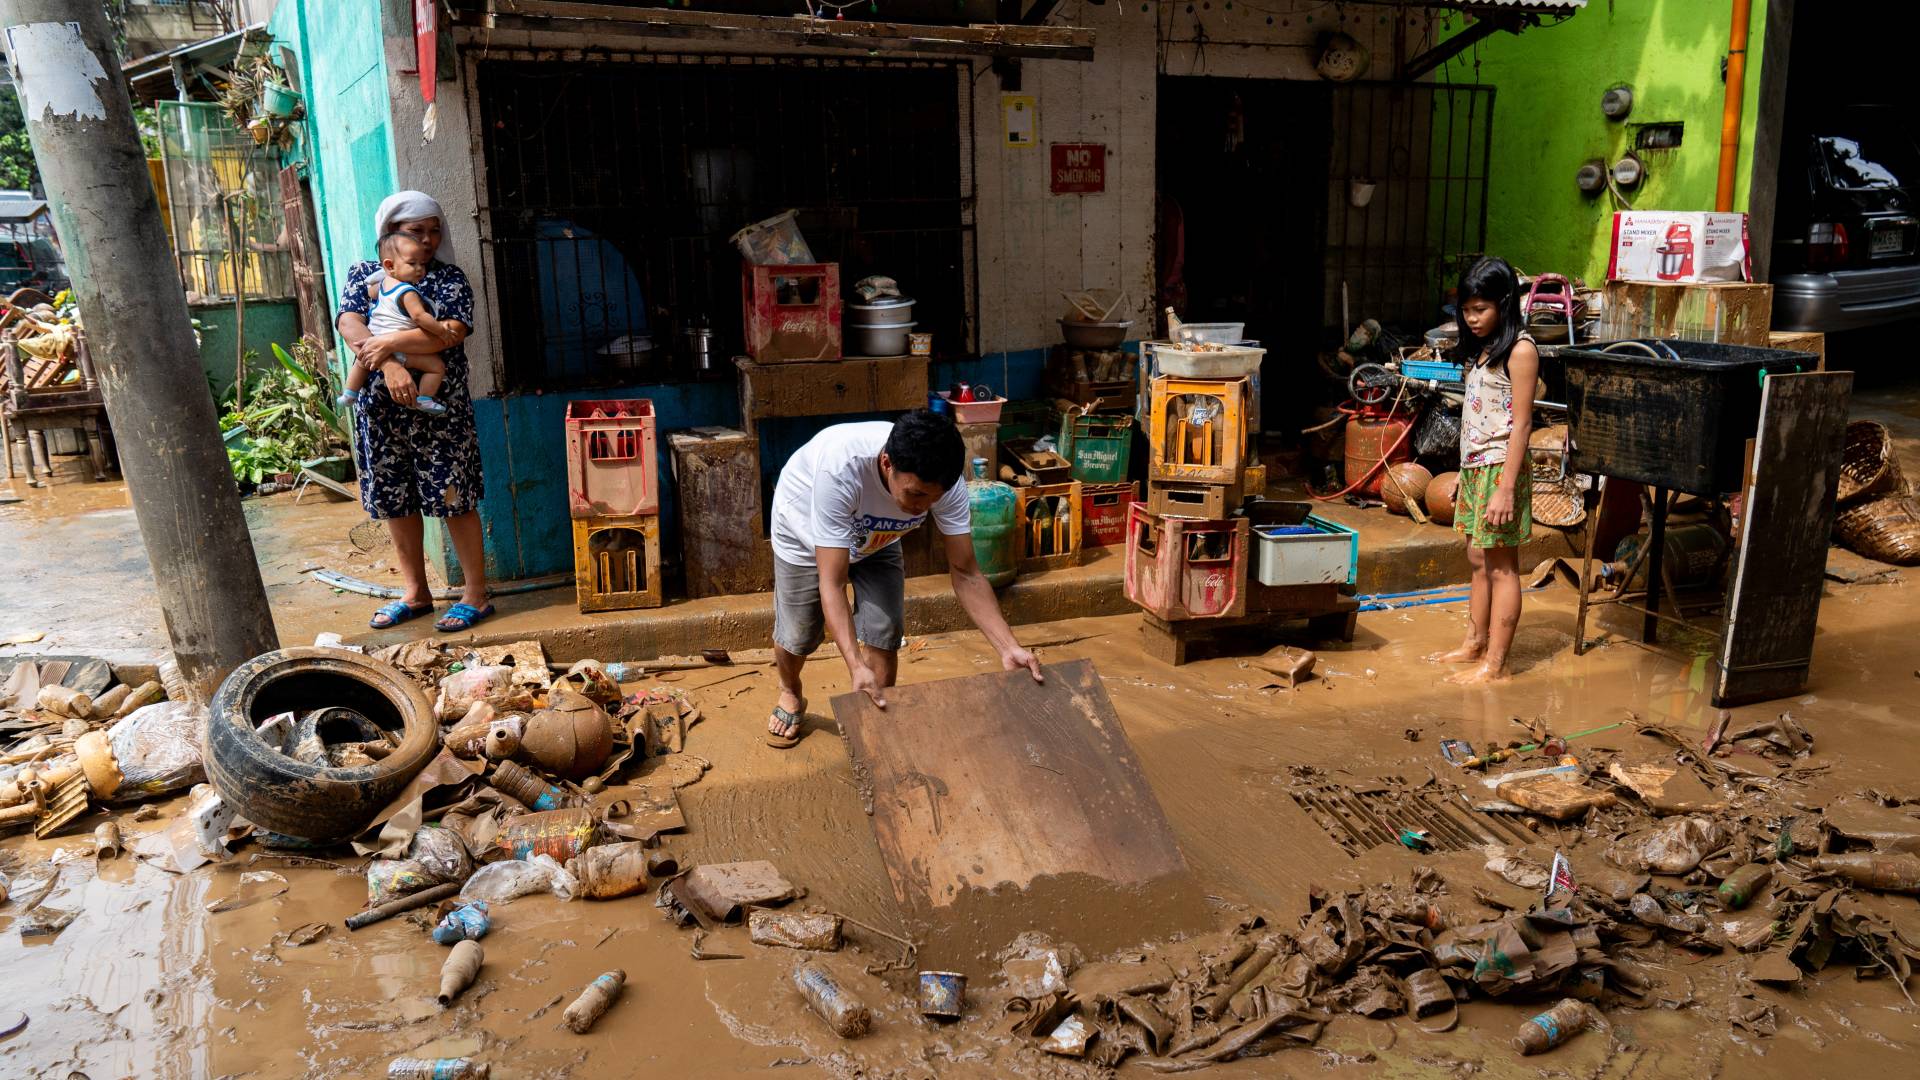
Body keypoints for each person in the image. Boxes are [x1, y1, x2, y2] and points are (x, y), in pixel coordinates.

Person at [763, 410, 1043, 748]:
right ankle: (790, 690)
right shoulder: (840, 470)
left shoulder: (945, 483)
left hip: (878, 538)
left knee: (884, 632)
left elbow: (967, 572)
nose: (924, 507)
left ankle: (874, 722)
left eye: (934, 498)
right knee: (797, 635)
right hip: (805, 533)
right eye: (916, 495)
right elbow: (833, 583)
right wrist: (854, 664)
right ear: (886, 463)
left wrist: (1008, 647)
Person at [336, 191, 493, 633]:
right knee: (396, 498)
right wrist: (388, 365)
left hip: (439, 411)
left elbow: (449, 334)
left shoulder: (448, 279)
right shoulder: (365, 273)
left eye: (434, 230)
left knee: (454, 496)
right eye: (416, 231)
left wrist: (388, 342)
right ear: (390, 232)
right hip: (380, 411)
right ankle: (416, 594)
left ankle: (476, 595)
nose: (427, 240)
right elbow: (349, 322)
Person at [1426, 256, 1537, 685]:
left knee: (1502, 566)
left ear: (1504, 303)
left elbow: (1521, 425)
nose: (1471, 318)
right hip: (1476, 468)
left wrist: (1505, 488)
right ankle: (1474, 643)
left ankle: (1497, 664)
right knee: (1477, 558)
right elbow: (1480, 416)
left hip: (1500, 470)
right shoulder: (1482, 349)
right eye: (1466, 310)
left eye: (1480, 309)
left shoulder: (1520, 350)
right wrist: (1463, 471)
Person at [338, 232, 459, 417]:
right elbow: (420, 317)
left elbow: (371, 293)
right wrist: (441, 330)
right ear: (389, 265)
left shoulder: (384, 284)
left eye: (422, 264)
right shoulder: (408, 292)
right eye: (412, 264)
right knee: (436, 367)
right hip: (402, 349)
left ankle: (349, 394)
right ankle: (425, 398)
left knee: (362, 362)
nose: (420, 269)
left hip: (374, 341)